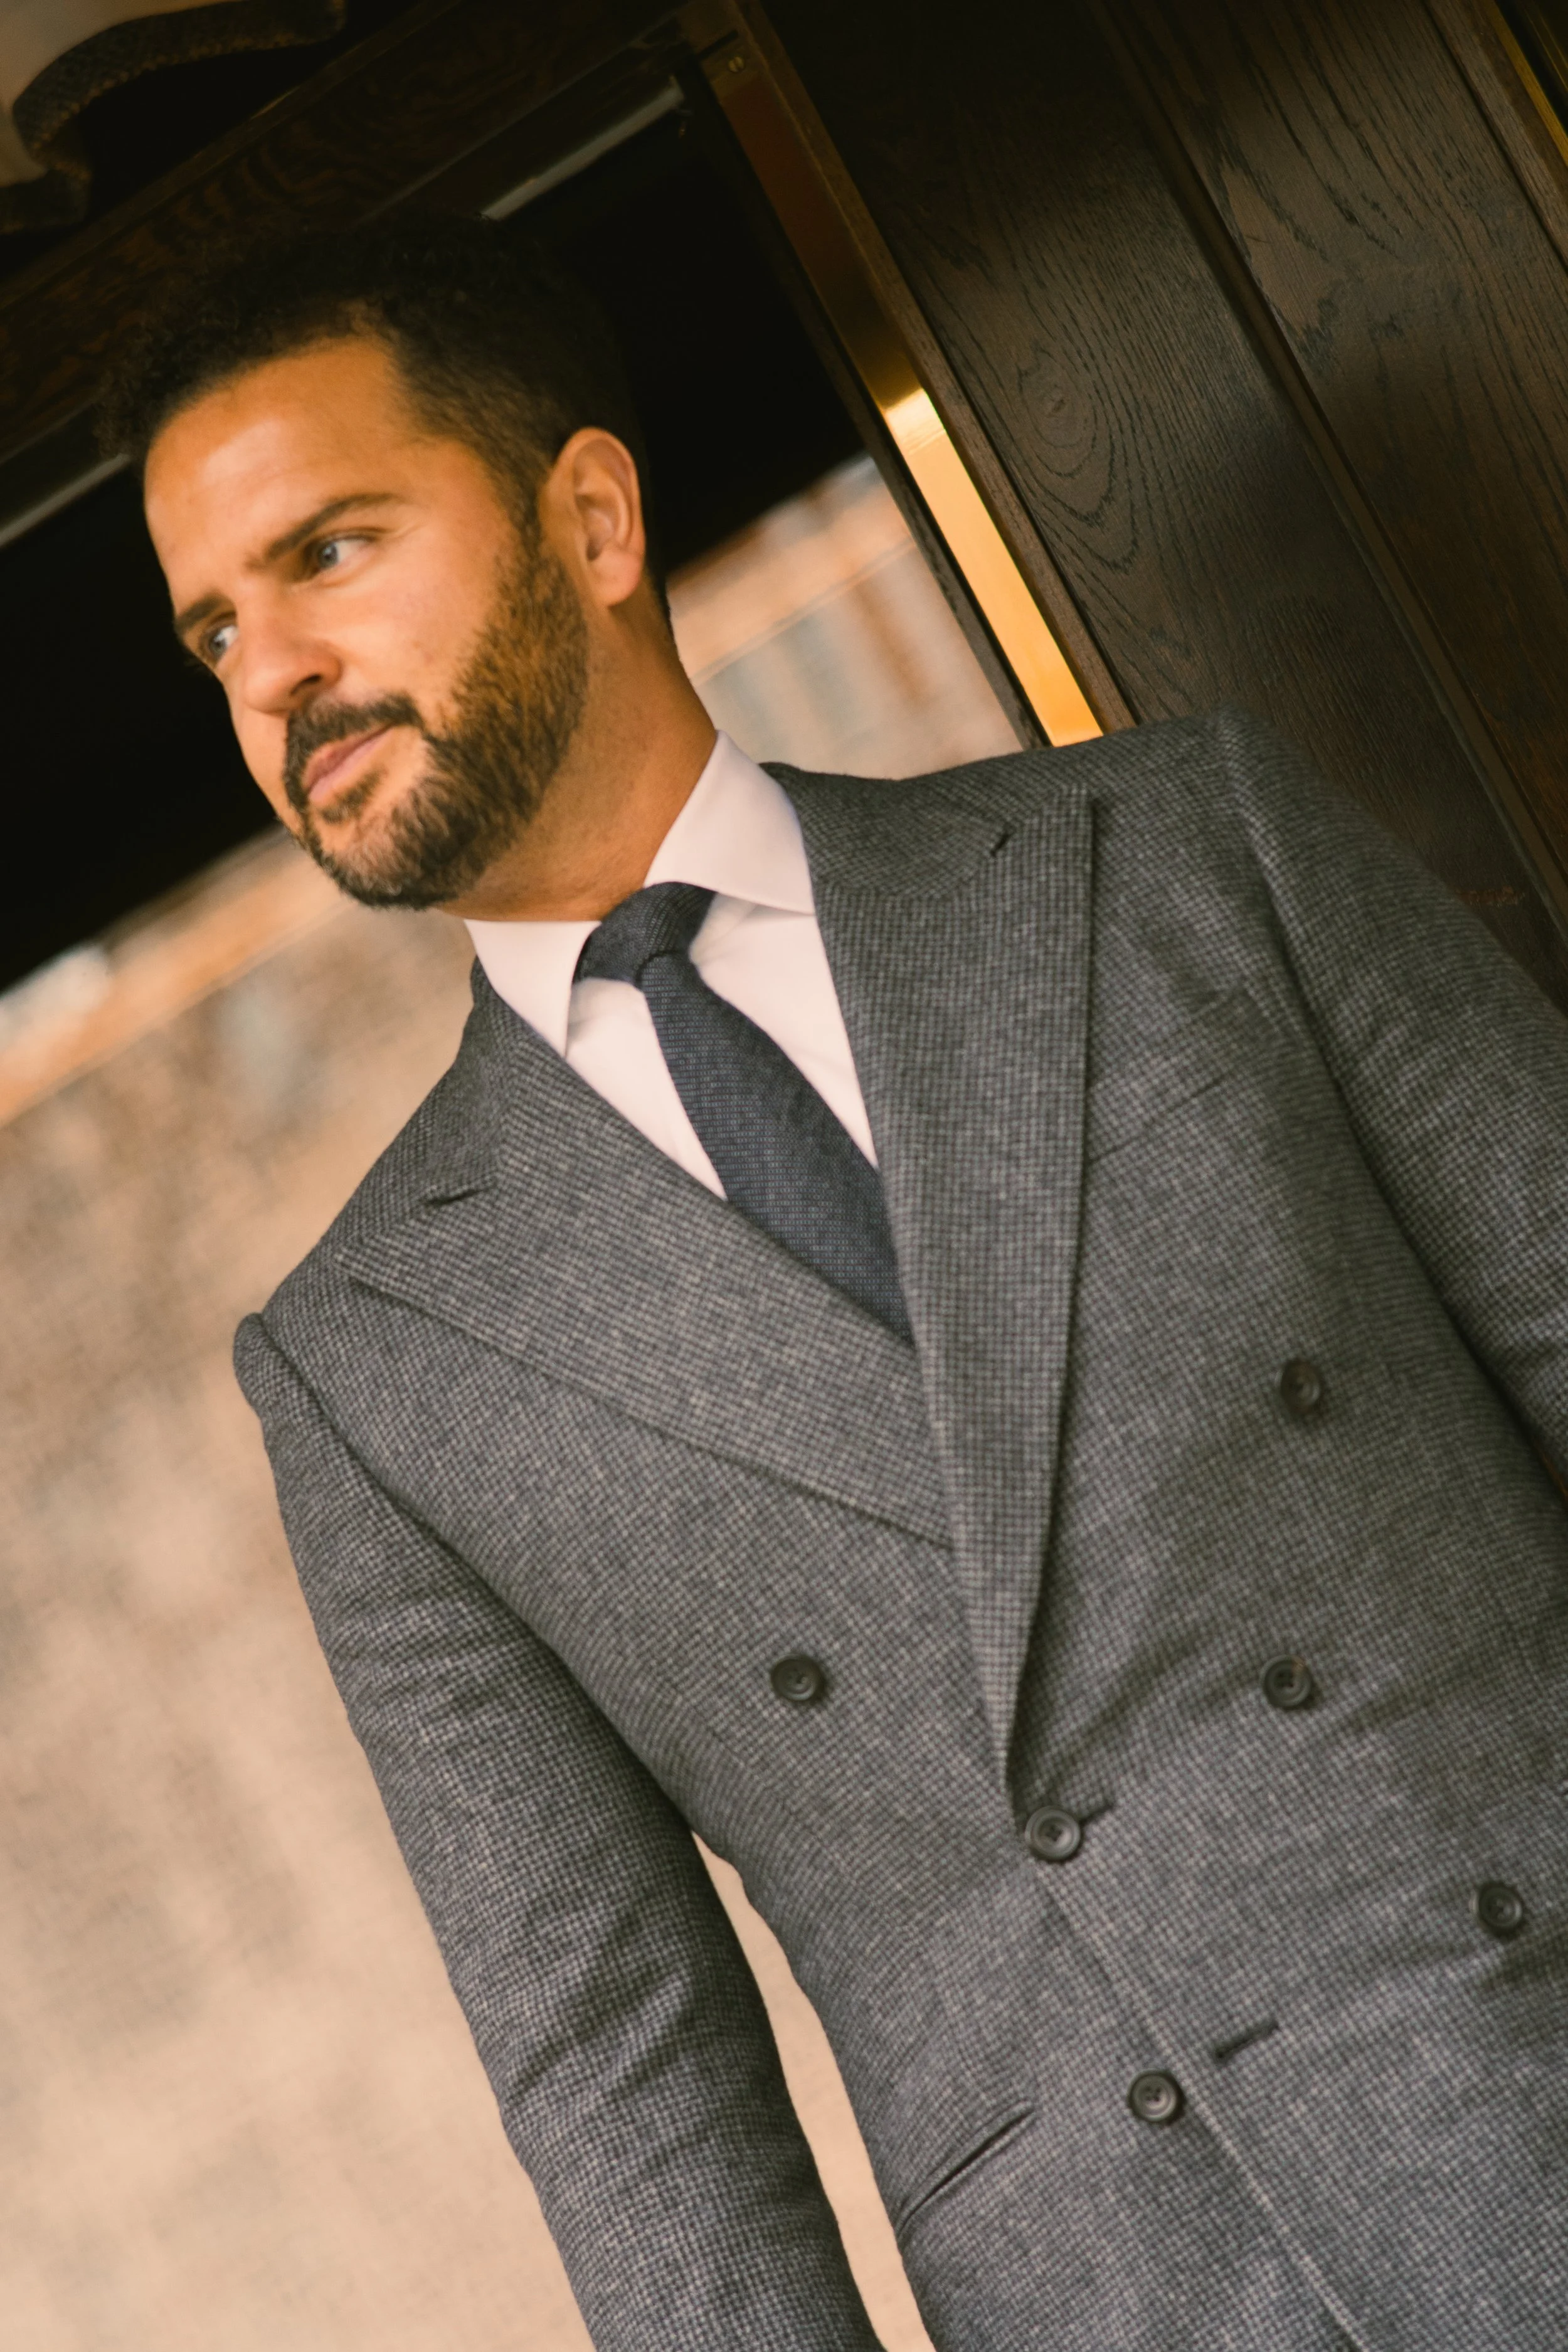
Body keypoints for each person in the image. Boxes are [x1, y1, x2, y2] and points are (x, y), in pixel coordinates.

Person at [107, 217, 1565, 2351]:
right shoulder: (371, 1367)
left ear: (587, 515)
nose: (271, 676)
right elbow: (624, 2082)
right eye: (211, 631)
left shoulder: (1180, 856)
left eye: (328, 552)